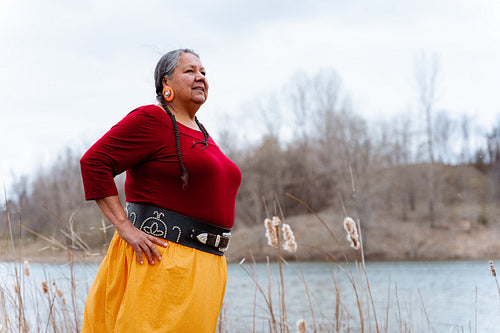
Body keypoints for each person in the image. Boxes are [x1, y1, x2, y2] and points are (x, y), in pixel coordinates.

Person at [80, 48, 241, 332]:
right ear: (166, 83)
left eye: (203, 72)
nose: (200, 77)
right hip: (163, 260)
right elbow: (95, 162)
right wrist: (125, 228)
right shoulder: (152, 120)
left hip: (207, 266)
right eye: (189, 71)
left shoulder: (200, 132)